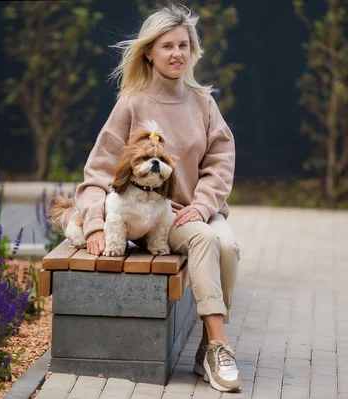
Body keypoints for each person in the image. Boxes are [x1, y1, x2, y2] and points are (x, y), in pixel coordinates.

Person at [74, 3, 241, 393]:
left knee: (228, 247)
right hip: (152, 216)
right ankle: (219, 345)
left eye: (184, 45)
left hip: (196, 209)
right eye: (167, 46)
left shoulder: (203, 102)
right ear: (149, 51)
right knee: (205, 239)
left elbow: (221, 162)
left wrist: (201, 205)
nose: (177, 54)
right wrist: (96, 223)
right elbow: (97, 171)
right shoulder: (131, 104)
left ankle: (205, 350)